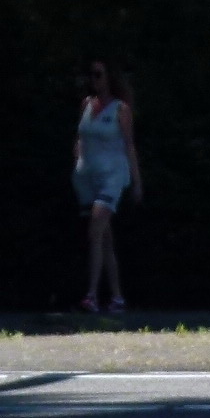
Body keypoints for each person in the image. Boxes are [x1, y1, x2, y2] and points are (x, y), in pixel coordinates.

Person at [72, 62, 141, 313]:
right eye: (91, 75)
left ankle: (90, 295)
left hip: (112, 176)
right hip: (88, 177)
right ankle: (117, 297)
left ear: (109, 77)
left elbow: (129, 146)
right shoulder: (87, 105)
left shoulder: (120, 109)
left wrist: (136, 182)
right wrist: (77, 161)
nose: (94, 79)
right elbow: (81, 137)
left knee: (95, 229)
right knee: (105, 238)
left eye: (98, 74)